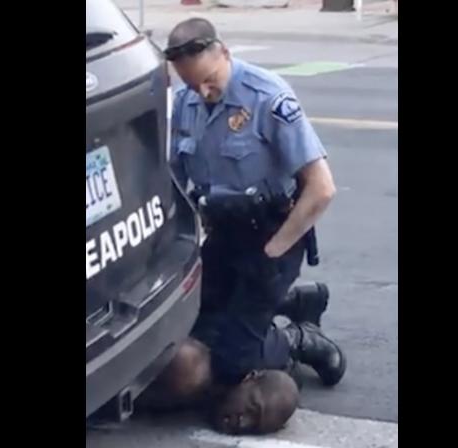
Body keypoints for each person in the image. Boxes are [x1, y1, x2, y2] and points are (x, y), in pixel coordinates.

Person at [141, 17, 346, 432]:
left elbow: (321, 189)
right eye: (192, 83)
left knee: (233, 358)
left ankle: (297, 338)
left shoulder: (268, 97)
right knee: (195, 324)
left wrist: (274, 250)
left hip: (273, 235)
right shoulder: (187, 103)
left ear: (225, 53)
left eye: (210, 81)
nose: (203, 92)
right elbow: (177, 178)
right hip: (223, 233)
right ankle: (285, 303)